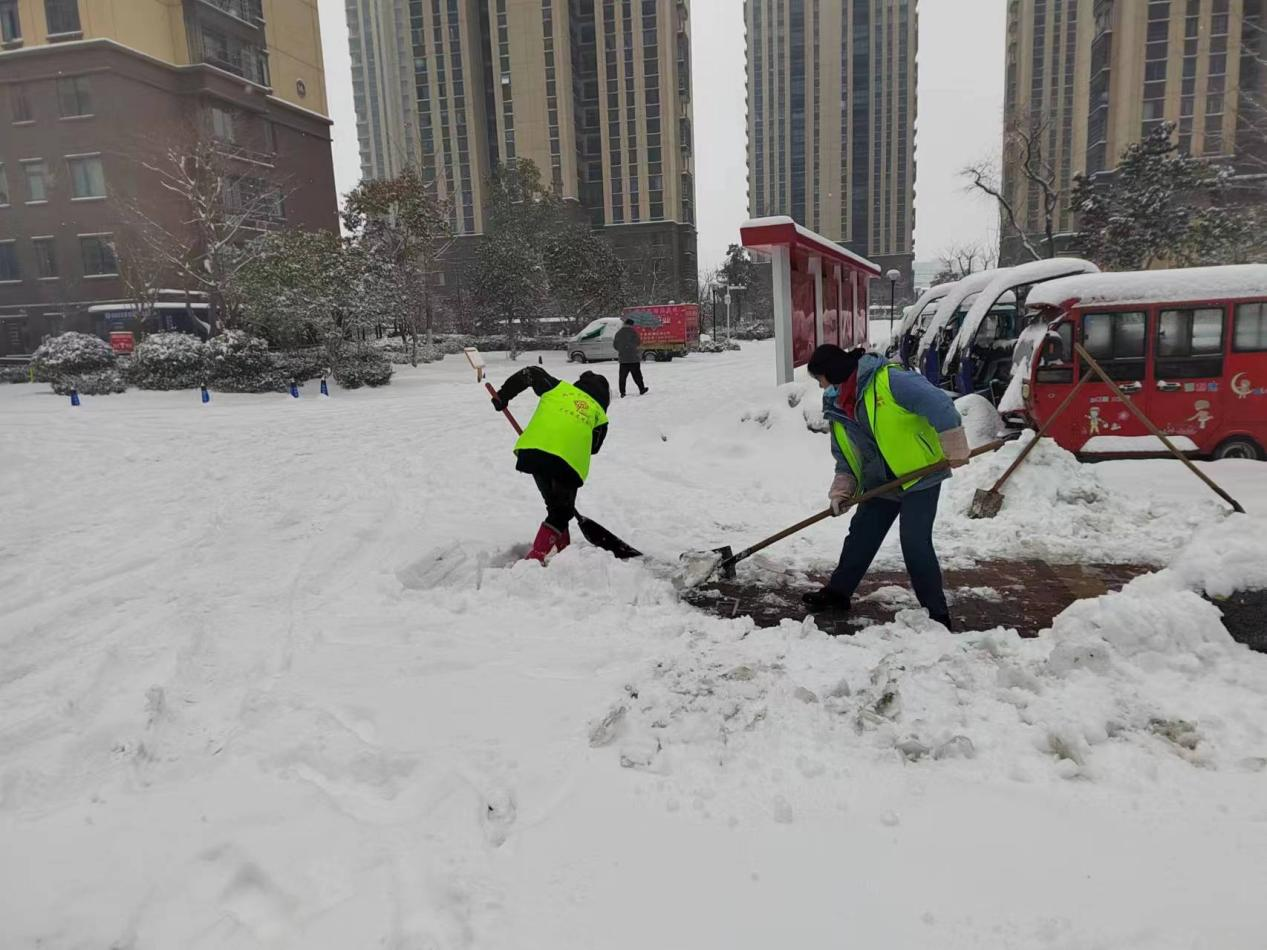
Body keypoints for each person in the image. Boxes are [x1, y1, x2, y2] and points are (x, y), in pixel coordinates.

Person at [802, 344, 970, 630]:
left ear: (831, 372)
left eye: (820, 378)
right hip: (881, 481)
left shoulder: (890, 380)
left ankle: (937, 613)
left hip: (920, 475)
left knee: (915, 542)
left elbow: (939, 404)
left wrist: (953, 445)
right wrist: (842, 491)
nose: (820, 385)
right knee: (861, 535)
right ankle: (838, 593)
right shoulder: (836, 404)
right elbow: (846, 457)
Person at [491, 366, 611, 563]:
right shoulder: (599, 415)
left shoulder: (558, 388)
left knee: (556, 507)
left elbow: (531, 372)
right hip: (566, 462)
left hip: (533, 452)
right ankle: (535, 557)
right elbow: (594, 448)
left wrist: (503, 395)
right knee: (561, 511)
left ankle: (563, 547)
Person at [613, 318, 649, 397]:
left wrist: (622, 350)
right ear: (632, 325)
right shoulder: (634, 332)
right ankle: (642, 389)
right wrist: (633, 348)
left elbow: (615, 345)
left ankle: (622, 392)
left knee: (622, 377)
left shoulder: (618, 333)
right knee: (637, 375)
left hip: (623, 359)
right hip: (633, 358)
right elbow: (638, 342)